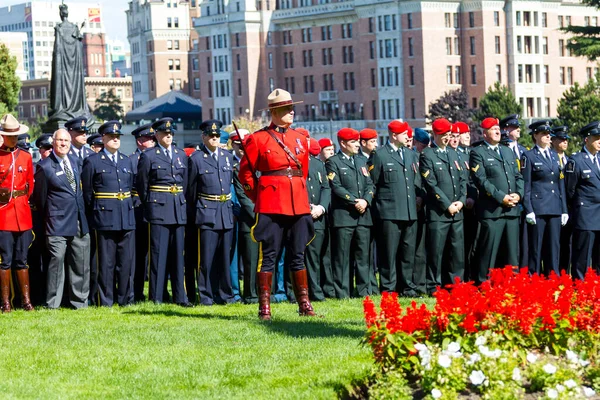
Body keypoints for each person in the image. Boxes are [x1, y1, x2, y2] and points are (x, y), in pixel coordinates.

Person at [238, 88, 315, 320]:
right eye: (286, 108)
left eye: (292, 108)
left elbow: (304, 172)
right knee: (269, 255)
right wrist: (258, 197)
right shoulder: (258, 139)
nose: (291, 112)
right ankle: (265, 307)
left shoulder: (300, 139)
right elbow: (246, 174)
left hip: (298, 204)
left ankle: (304, 304)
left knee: (298, 254)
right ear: (274, 111)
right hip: (271, 204)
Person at [137, 117, 191, 307]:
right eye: (164, 133)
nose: (168, 136)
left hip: (178, 208)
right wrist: (150, 204)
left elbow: (184, 182)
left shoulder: (180, 154)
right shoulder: (149, 156)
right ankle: (156, 296)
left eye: (170, 133)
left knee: (178, 255)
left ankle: (180, 296)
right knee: (158, 255)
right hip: (158, 208)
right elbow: (142, 186)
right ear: (157, 135)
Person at [33, 128, 90, 309]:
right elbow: (41, 200)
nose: (63, 144)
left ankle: (79, 302)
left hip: (78, 220)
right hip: (56, 223)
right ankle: (53, 303)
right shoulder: (45, 167)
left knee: (80, 262)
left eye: (66, 140)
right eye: (60, 141)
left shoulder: (75, 162)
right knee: (56, 263)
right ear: (54, 142)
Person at [81, 121, 136, 306]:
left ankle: (125, 298)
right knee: (106, 262)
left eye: (117, 137)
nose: (115, 139)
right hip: (104, 217)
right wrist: (95, 213)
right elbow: (88, 193)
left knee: (126, 261)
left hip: (125, 216)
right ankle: (105, 300)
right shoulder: (93, 161)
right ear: (103, 138)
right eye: (111, 137)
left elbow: (132, 187)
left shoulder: (125, 160)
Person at [368, 120, 422, 296]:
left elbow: (415, 181)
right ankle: (389, 288)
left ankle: (407, 287)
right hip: (389, 212)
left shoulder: (410, 154)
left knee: (408, 252)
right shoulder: (380, 154)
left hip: (409, 211)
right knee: (388, 253)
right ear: (393, 135)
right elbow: (373, 182)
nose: (407, 136)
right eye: (404, 133)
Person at [469, 118, 524, 283]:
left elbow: (517, 176)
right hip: (492, 211)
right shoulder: (478, 153)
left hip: (512, 210)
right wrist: (502, 197)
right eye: (493, 129)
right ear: (485, 133)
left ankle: (511, 286)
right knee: (489, 253)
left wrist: (518, 194)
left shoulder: (507, 151)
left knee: (512, 254)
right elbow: (481, 180)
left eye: (498, 128)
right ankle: (483, 284)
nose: (498, 131)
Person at [187, 120, 236, 305]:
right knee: (206, 258)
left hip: (225, 211)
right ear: (203, 137)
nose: (214, 138)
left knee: (224, 258)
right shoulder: (196, 159)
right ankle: (206, 296)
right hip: (206, 211)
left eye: (217, 135)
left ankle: (225, 294)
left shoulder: (227, 157)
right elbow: (190, 191)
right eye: (211, 135)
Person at [326, 128, 375, 298]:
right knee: (343, 258)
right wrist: (354, 201)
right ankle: (342, 292)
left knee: (363, 257)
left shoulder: (361, 161)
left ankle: (363, 291)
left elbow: (370, 184)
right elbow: (336, 186)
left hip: (363, 217)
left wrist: (366, 200)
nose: (356, 145)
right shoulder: (333, 162)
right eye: (353, 142)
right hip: (344, 218)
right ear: (343, 144)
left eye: (357, 141)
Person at [420, 118, 467, 292]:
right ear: (435, 135)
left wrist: (461, 201)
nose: (447, 138)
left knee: (456, 252)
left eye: (449, 134)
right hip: (439, 213)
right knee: (436, 252)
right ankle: (433, 285)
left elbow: (462, 180)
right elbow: (430, 183)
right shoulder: (428, 155)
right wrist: (447, 204)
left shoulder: (454, 154)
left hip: (457, 211)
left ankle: (456, 284)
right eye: (443, 135)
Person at [521, 120, 568, 276]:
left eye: (549, 134)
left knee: (554, 247)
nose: (548, 137)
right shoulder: (528, 156)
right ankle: (534, 277)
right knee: (536, 247)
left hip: (554, 207)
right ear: (535, 135)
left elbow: (560, 184)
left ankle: (552, 277)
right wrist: (528, 209)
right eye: (544, 134)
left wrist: (564, 209)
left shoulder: (555, 156)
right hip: (538, 208)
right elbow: (526, 185)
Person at [0, 114, 35, 312]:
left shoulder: (26, 156)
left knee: (22, 259)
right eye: (10, 136)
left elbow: (30, 185)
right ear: (3, 136)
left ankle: (26, 301)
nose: (14, 139)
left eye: (15, 136)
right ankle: (5, 302)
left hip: (22, 212)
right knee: (5, 260)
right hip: (3, 214)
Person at [565, 121, 600, 279]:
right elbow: (570, 190)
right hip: (585, 215)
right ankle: (580, 291)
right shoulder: (576, 160)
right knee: (582, 259)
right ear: (587, 139)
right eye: (596, 137)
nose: (599, 141)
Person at [129, 123, 155, 302]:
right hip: (138, 208)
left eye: (153, 138)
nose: (152, 141)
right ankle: (137, 291)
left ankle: (157, 291)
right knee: (139, 255)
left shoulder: (156, 157)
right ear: (139, 141)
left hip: (157, 208)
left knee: (156, 253)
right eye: (148, 139)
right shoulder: (131, 160)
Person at [451, 122, 477, 281]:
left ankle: (469, 275)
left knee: (471, 243)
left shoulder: (470, 153)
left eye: (468, 132)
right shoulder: (455, 154)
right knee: (459, 245)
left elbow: (474, 179)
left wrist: (472, 197)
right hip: (457, 204)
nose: (467, 136)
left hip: (471, 204)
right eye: (463, 133)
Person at [551, 126, 573, 272]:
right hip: (552, 204)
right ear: (553, 140)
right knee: (553, 242)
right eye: (561, 139)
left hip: (568, 206)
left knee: (567, 242)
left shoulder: (570, 160)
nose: (564, 142)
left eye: (566, 140)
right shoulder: (550, 158)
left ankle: (565, 271)